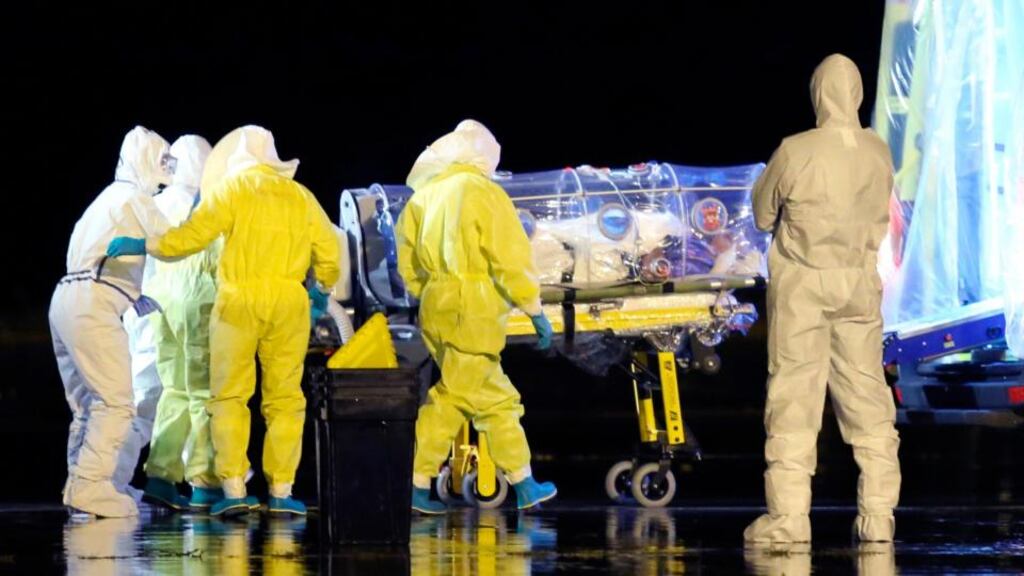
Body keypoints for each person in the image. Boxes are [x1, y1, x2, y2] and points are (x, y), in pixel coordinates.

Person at [107, 125, 340, 517]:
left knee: (226, 396)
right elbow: (330, 252)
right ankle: (282, 492)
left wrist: (142, 246)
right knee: (285, 400)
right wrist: (320, 292)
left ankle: (230, 488)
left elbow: (188, 239)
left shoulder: (230, 191)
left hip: (235, 303)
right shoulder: (302, 197)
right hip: (288, 303)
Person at [744, 54, 901, 544]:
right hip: (858, 284)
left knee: (794, 398)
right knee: (868, 398)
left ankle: (789, 521)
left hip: (804, 288)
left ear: (818, 94)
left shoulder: (795, 150)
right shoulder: (878, 152)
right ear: (856, 93)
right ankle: (879, 516)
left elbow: (762, 214)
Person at [395, 119, 557, 514]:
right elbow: (510, 257)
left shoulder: (423, 197)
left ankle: (523, 482)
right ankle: (415, 482)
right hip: (474, 307)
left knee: (495, 399)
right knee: (455, 396)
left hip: (437, 304)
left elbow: (407, 262)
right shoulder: (484, 192)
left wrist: (432, 291)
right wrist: (532, 306)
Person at [50, 126, 174, 517]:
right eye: (161, 162)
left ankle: (82, 484)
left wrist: (132, 294)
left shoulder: (104, 199)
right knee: (118, 403)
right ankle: (91, 485)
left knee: (88, 405)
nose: (164, 172)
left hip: (65, 299)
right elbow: (173, 243)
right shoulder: (135, 199)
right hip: (93, 303)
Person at [138, 135, 224, 511]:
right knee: (203, 393)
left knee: (173, 391)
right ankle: (204, 482)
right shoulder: (210, 205)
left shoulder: (155, 204)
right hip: (198, 302)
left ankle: (160, 477)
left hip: (161, 303)